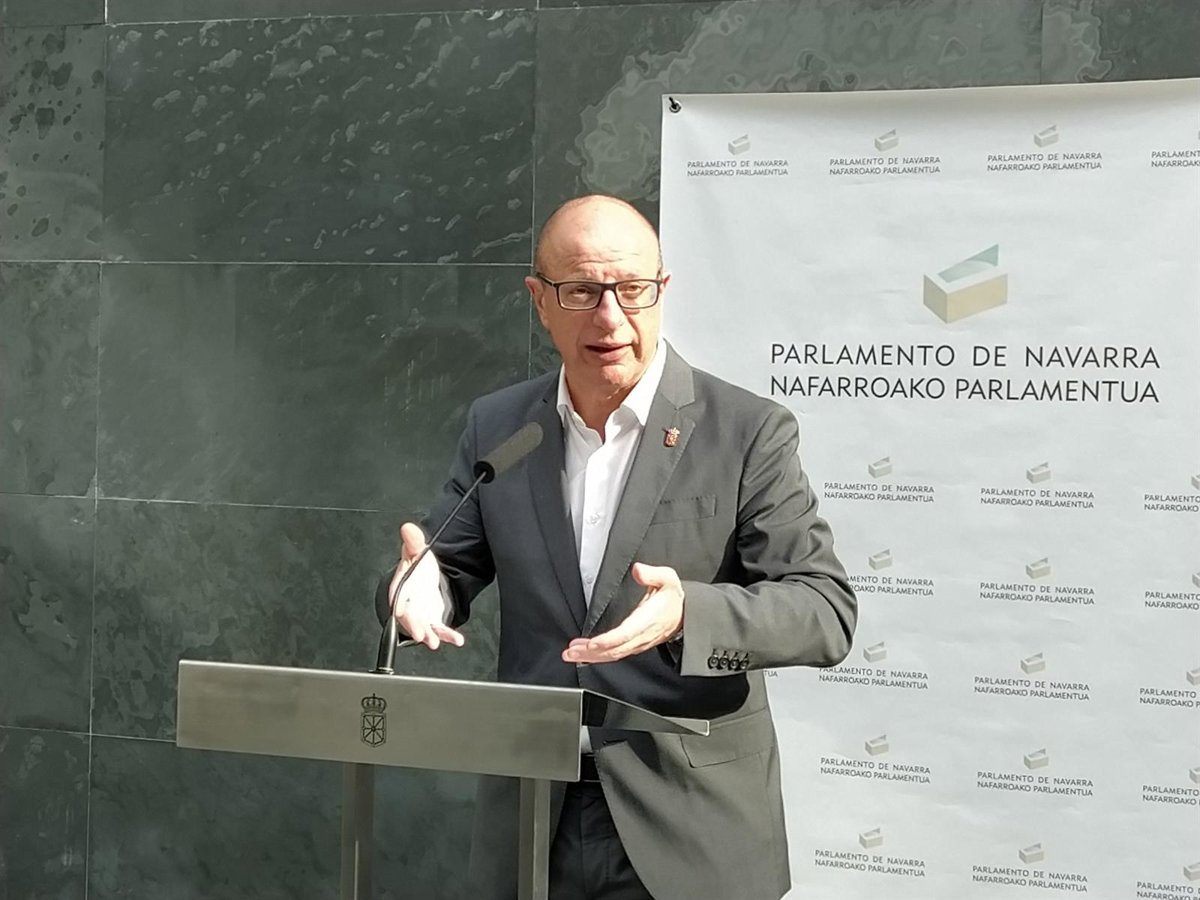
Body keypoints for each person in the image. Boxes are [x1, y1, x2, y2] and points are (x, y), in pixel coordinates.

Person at [375, 194, 856, 900]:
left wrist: (689, 613)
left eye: (632, 289)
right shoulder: (499, 426)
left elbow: (823, 610)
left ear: (662, 290)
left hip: (689, 826)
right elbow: (448, 562)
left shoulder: (746, 430)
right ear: (539, 301)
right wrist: (420, 588)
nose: (610, 316)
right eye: (581, 291)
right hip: (533, 819)